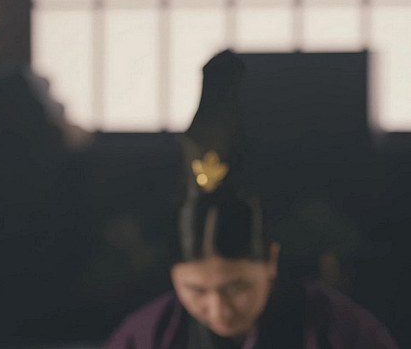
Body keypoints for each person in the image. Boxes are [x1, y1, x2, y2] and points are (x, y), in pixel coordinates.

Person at [105, 51, 397, 349]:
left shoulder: (341, 331)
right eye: (196, 290)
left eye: (237, 288)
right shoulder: (149, 335)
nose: (219, 310)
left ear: (271, 260)